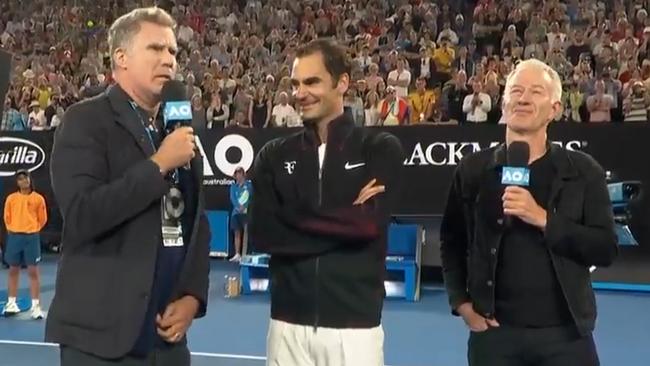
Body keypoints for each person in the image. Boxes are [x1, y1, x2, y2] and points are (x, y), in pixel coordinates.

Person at [46, 7, 210, 366]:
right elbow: (82, 216)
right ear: (121, 57)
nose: (168, 59)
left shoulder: (176, 129)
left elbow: (196, 221)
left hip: (167, 342)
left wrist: (193, 296)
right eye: (155, 49)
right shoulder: (85, 121)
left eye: (173, 52)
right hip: (100, 341)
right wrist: (160, 164)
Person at [440, 58, 618, 366]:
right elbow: (451, 241)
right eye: (516, 90)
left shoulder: (583, 171)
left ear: (555, 109)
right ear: (504, 102)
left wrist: (544, 219)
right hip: (494, 338)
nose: (523, 98)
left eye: (535, 92)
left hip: (566, 337)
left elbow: (605, 248)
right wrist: (462, 304)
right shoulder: (473, 169)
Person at [250, 38, 404, 366]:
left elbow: (368, 224)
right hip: (286, 328)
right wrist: (346, 221)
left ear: (342, 83)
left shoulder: (379, 147)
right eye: (295, 83)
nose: (300, 92)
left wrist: (290, 218)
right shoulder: (274, 155)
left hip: (355, 331)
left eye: (312, 81)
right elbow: (263, 234)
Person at [2, 169, 47, 319]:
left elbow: (42, 219)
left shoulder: (38, 199)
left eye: (25, 178)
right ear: (17, 182)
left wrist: (32, 230)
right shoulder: (11, 199)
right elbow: (6, 218)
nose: (23, 181)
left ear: (29, 180)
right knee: (13, 270)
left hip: (31, 238)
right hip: (15, 237)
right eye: (20, 179)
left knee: (33, 271)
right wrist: (14, 229)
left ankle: (36, 306)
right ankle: (11, 303)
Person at [229, 167, 252, 262]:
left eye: (240, 173)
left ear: (243, 174)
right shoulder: (233, 186)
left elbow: (250, 196)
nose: (238, 176)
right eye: (236, 174)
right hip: (236, 213)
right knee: (237, 233)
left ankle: (245, 254)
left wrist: (245, 206)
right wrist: (238, 207)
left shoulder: (249, 185)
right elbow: (232, 198)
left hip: (246, 213)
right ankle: (237, 254)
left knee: (246, 234)